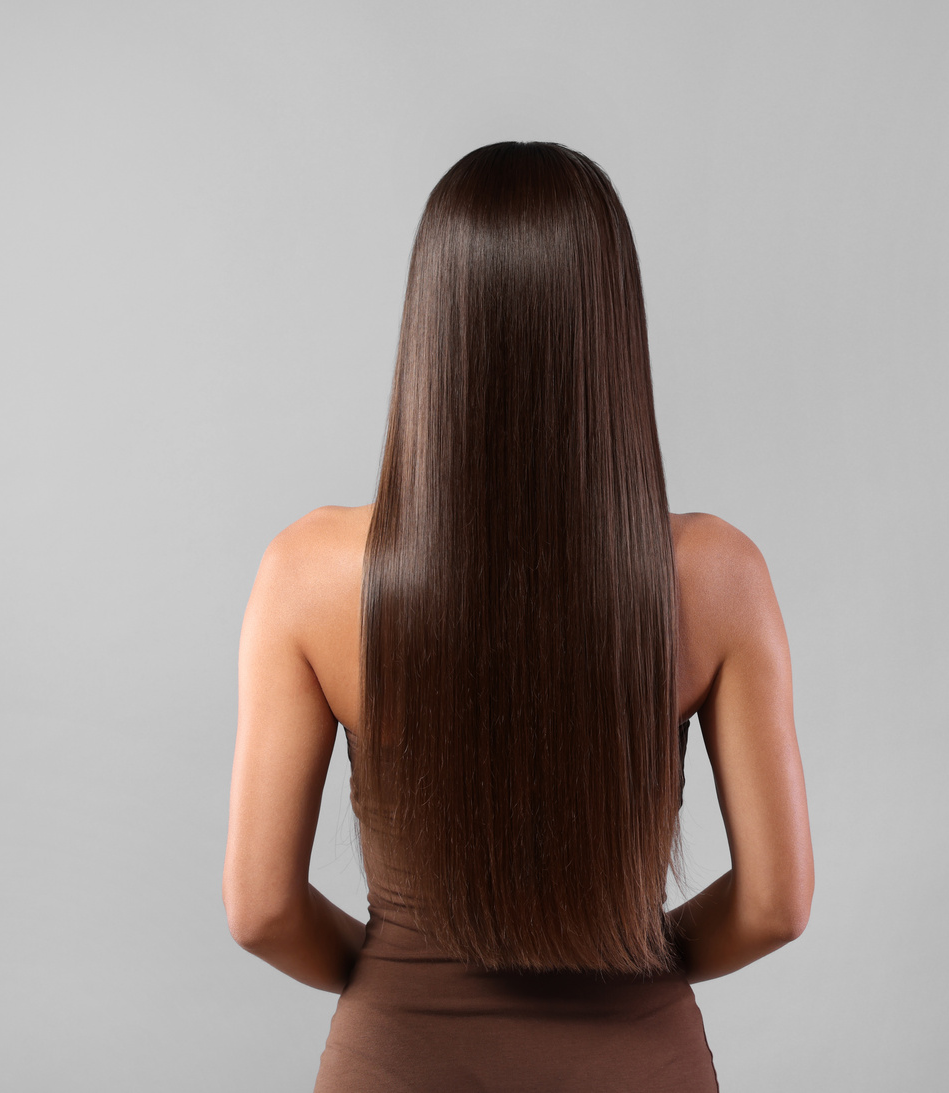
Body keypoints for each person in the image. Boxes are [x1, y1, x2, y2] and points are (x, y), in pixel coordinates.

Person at [221, 141, 814, 1091]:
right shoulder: (715, 574)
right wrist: (634, 964)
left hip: (396, 1064)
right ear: (611, 327)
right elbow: (777, 904)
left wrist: (393, 981)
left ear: (435, 322)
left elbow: (258, 910)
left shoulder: (307, 572)